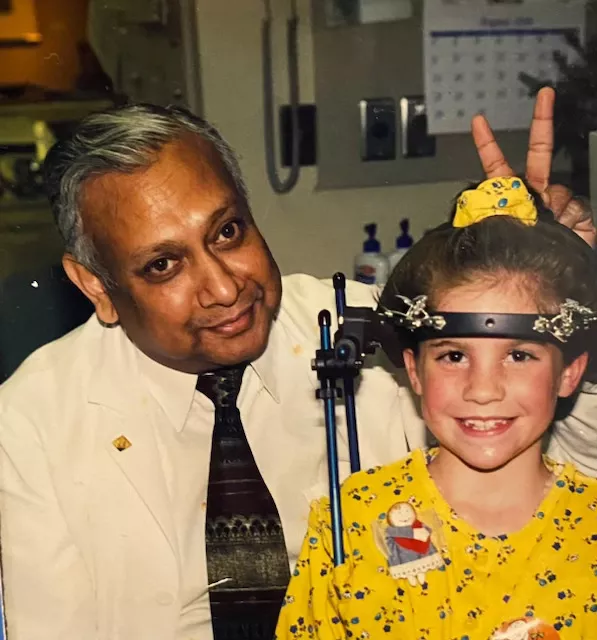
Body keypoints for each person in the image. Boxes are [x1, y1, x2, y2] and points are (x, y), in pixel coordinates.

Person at [0, 86, 594, 640]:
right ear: (95, 286)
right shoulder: (32, 424)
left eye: (228, 231)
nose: (224, 288)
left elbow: (564, 470)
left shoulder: (381, 330)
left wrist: (544, 282)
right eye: (163, 266)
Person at [275, 176, 597, 640]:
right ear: (415, 370)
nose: (482, 389)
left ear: (569, 371)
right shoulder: (351, 524)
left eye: (519, 355)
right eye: (453, 356)